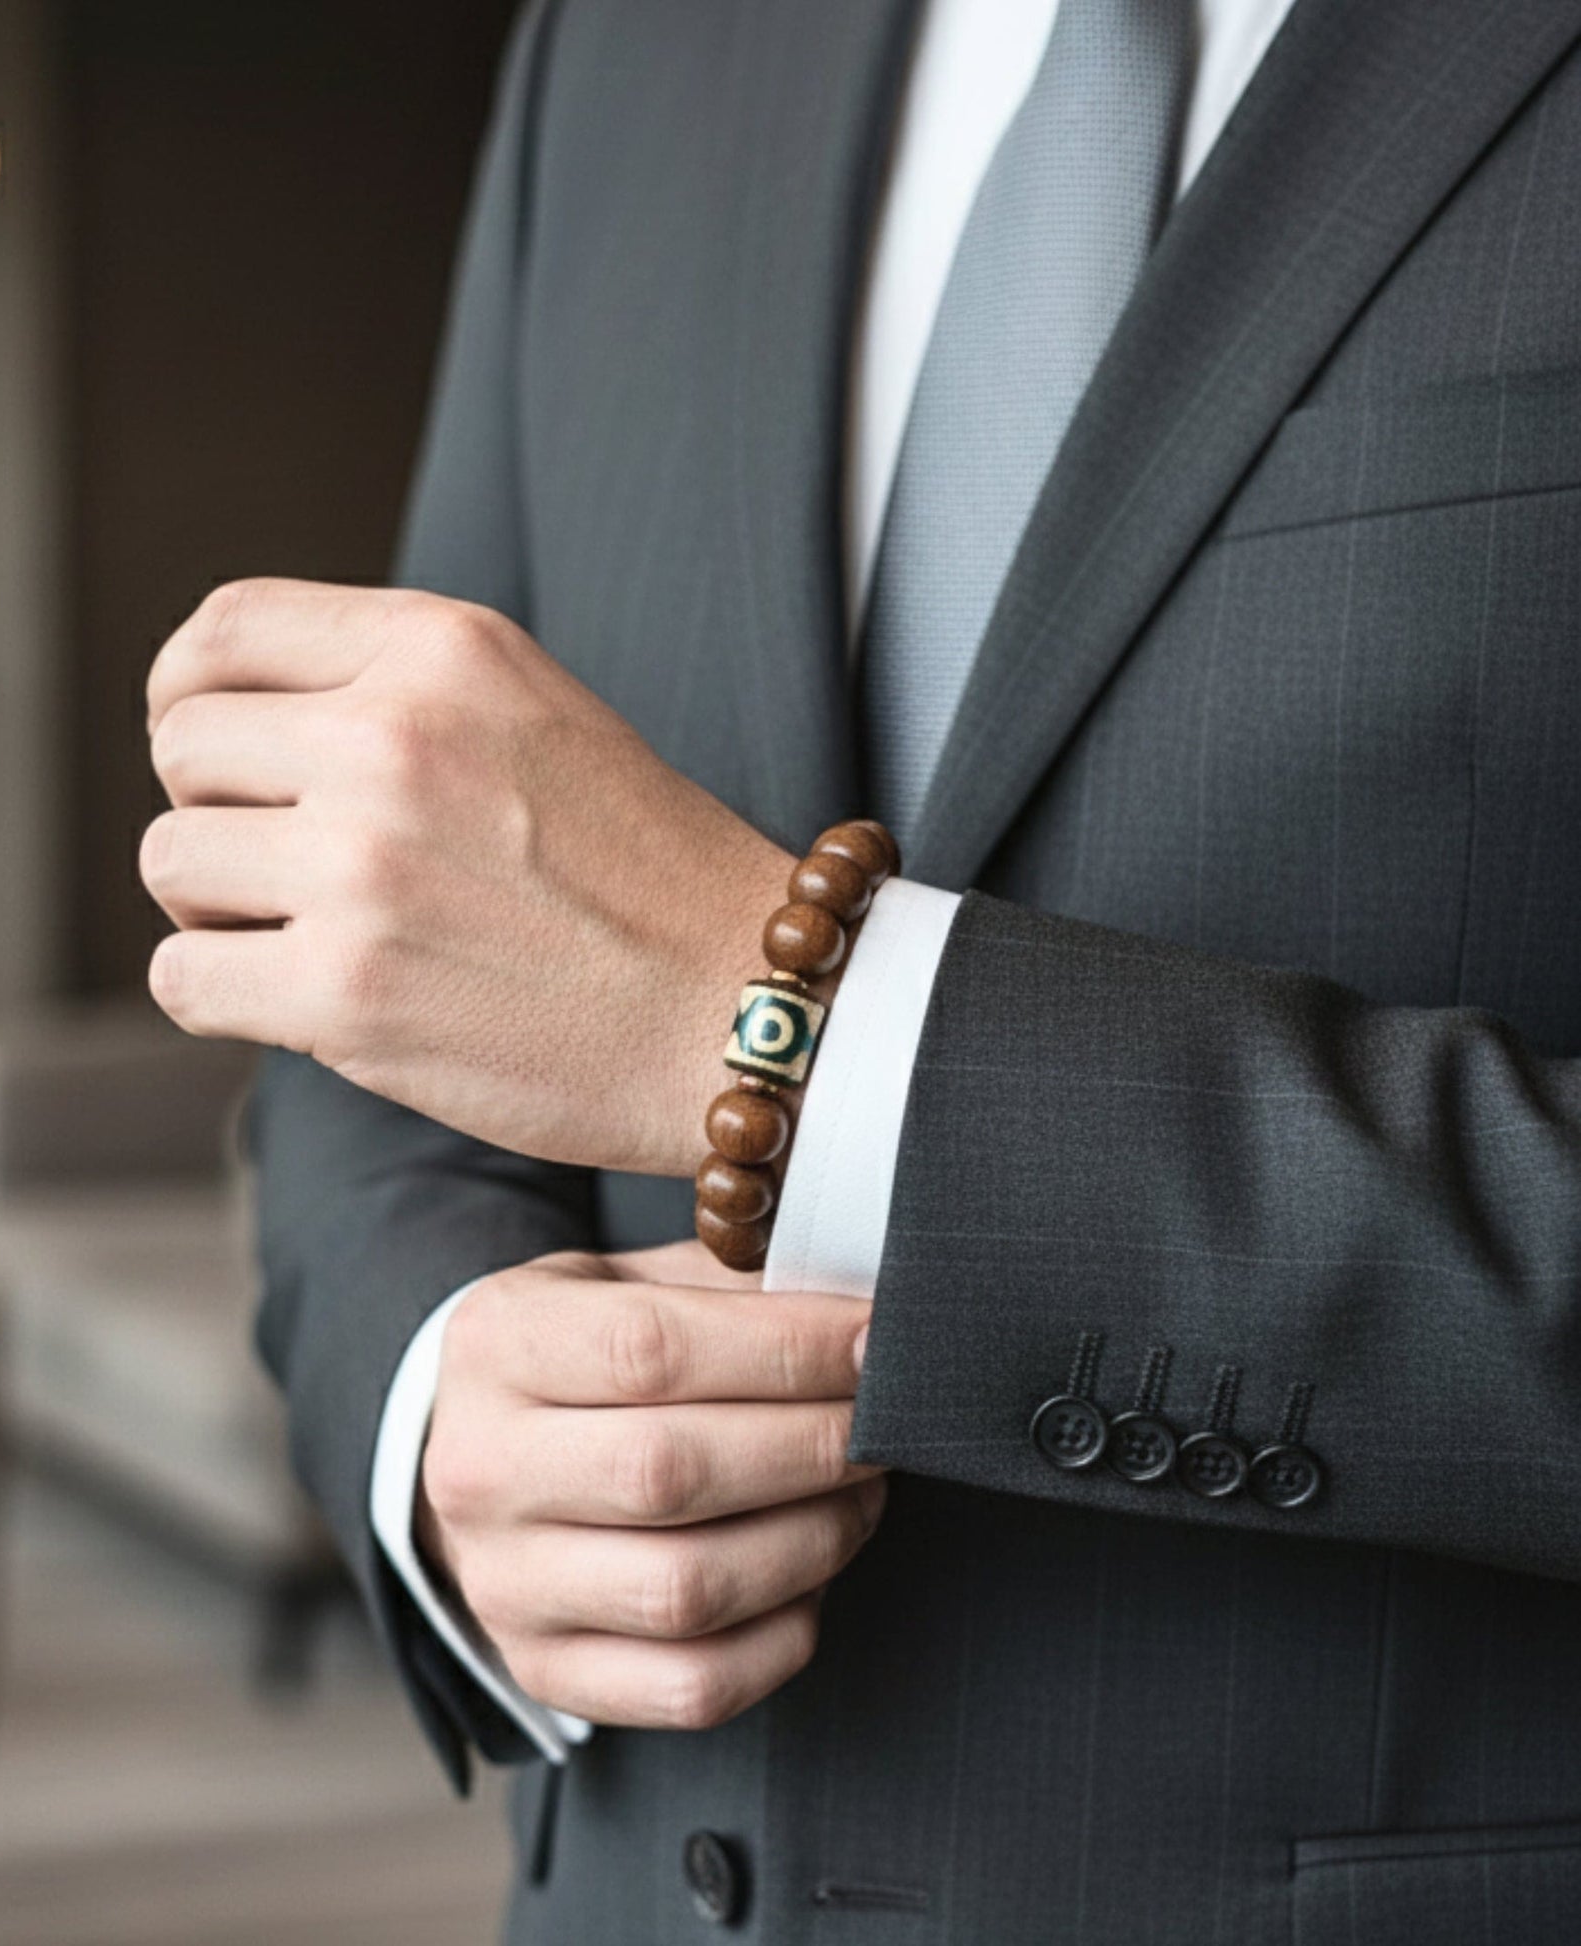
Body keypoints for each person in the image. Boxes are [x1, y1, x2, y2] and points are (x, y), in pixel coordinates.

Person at [139, 1, 1581, 1939]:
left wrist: (810, 1039)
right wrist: (437, 1396)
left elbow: (685, 994)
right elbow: (400, 970)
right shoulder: (621, 50)